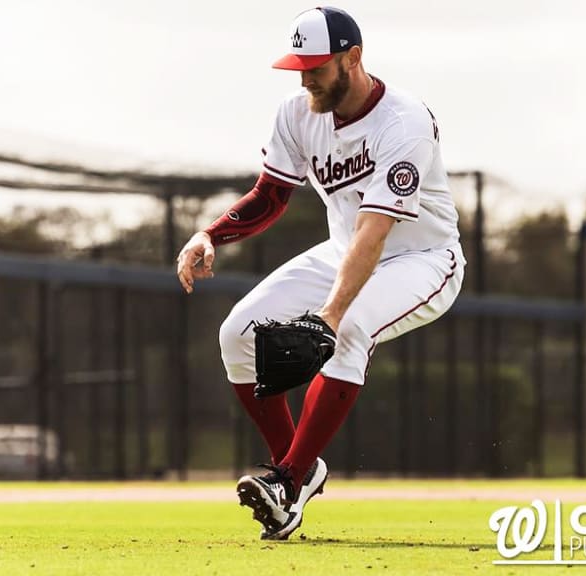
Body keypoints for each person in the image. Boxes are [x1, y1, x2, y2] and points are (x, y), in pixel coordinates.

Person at [175, 6, 465, 540]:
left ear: (352, 59)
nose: (306, 77)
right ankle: (300, 470)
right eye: (299, 67)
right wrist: (209, 234)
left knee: (349, 330)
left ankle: (286, 482)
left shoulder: (404, 121)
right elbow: (271, 195)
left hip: (423, 259)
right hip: (343, 250)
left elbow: (377, 231)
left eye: (316, 67)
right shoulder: (296, 112)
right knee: (236, 335)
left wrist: (328, 316)